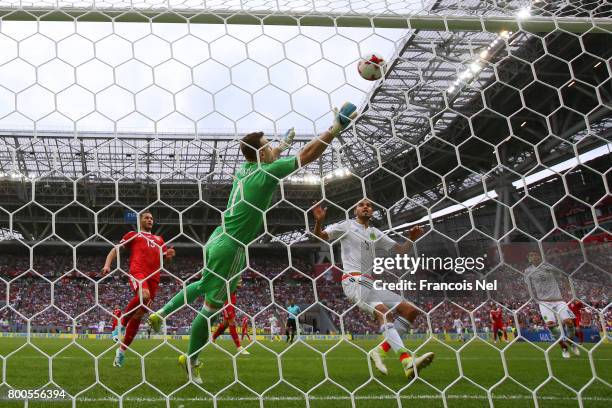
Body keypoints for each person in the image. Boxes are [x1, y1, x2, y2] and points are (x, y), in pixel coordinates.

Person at [148, 103, 359, 384]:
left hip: (217, 238)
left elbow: (266, 156)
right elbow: (306, 155)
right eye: (268, 144)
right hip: (232, 247)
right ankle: (191, 358)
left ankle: (164, 316)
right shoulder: (264, 174)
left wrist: (281, 144)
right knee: (210, 308)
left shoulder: (246, 169)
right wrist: (334, 128)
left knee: (206, 287)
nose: (272, 146)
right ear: (261, 153)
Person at [312, 199, 434, 379]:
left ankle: (379, 352)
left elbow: (401, 250)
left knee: (410, 310)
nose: (366, 206)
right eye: (361, 204)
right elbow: (320, 236)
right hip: (353, 280)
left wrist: (411, 239)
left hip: (370, 283)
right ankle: (407, 361)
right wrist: (319, 221)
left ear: (373, 211)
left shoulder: (375, 233)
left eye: (369, 205)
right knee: (384, 313)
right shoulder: (346, 226)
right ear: (355, 210)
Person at [102, 211, 176, 367]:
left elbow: (166, 262)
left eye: (151, 218)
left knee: (140, 313)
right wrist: (107, 264)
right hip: (138, 272)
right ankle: (121, 323)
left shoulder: (159, 239)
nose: (150, 220)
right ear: (139, 220)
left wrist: (169, 256)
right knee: (144, 294)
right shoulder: (133, 235)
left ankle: (121, 352)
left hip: (155, 277)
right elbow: (116, 249)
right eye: (146, 218)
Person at [524, 251, 577, 358]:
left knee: (569, 322)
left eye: (535, 255)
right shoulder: (528, 271)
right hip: (544, 302)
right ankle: (564, 348)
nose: (533, 257)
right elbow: (527, 284)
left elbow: (563, 275)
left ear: (539, 256)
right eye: (531, 256)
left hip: (558, 300)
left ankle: (571, 342)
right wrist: (531, 296)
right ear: (529, 259)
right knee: (550, 325)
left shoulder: (548, 266)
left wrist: (569, 290)